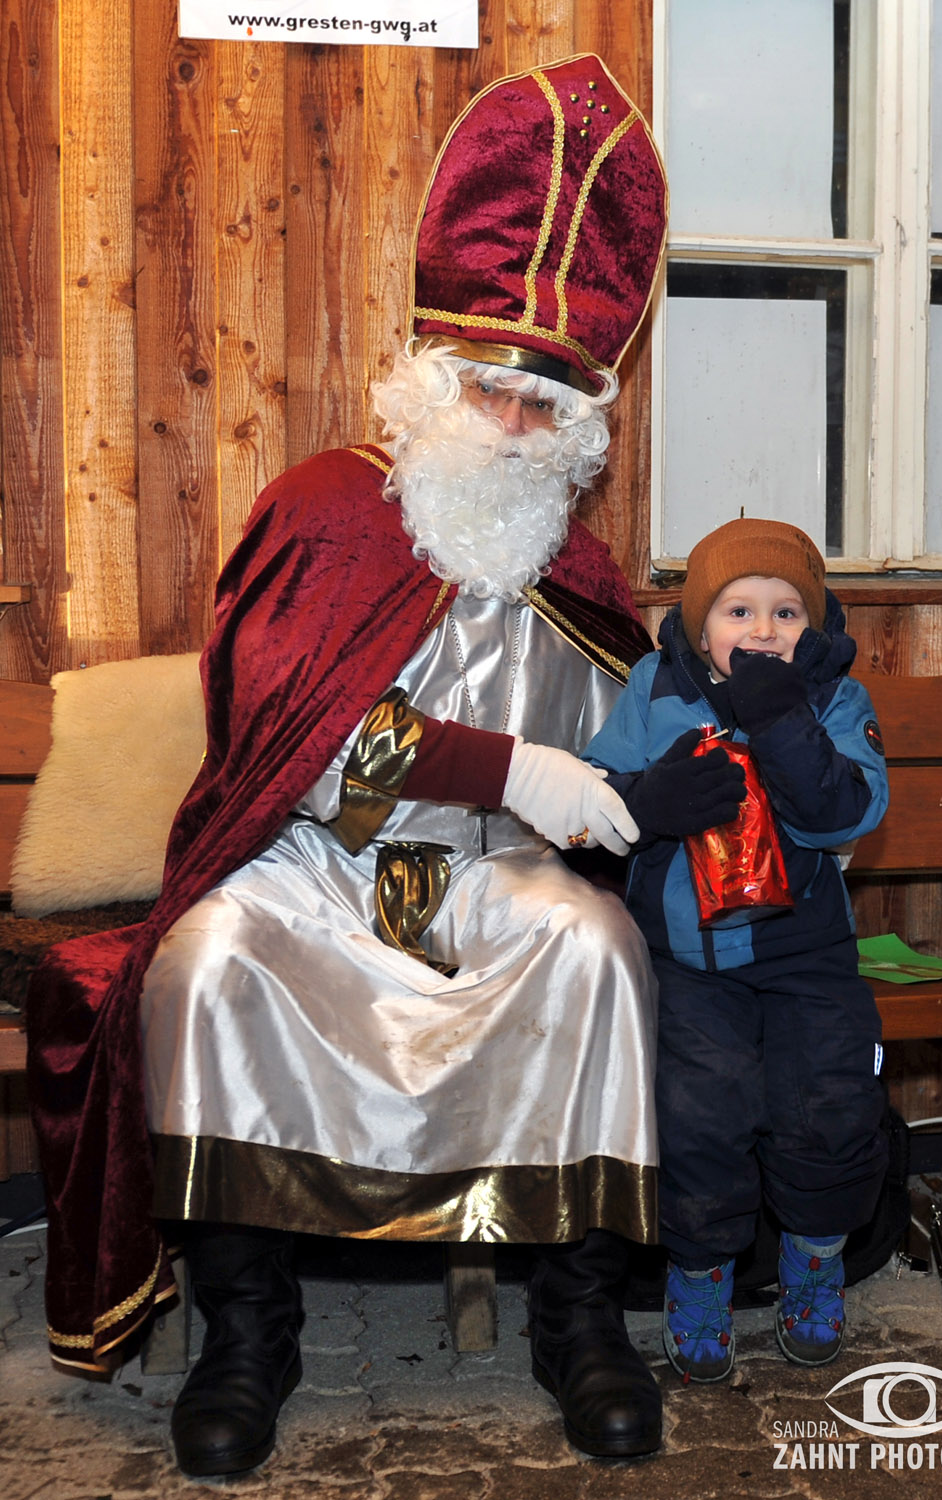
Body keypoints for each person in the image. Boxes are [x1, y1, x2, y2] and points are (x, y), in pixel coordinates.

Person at [26, 56, 668, 1474]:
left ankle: (579, 1319)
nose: (513, 429)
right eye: (490, 390)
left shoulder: (576, 567)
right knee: (207, 965)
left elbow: (618, 755)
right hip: (316, 866)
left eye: (545, 408)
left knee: (600, 954)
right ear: (429, 379)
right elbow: (294, 740)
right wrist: (510, 768)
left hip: (493, 882)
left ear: (581, 431)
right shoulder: (325, 511)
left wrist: (662, 774)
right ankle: (248, 1333)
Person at [583, 517, 890, 1384]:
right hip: (690, 961)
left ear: (813, 625)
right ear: (698, 623)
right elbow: (592, 793)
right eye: (738, 610)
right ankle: (700, 1274)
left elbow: (845, 812)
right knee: (700, 1117)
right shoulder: (656, 687)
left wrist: (783, 718)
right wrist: (649, 797)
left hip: (808, 958)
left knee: (830, 1105)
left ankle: (815, 1261)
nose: (763, 631)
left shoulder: (835, 698)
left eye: (787, 613)